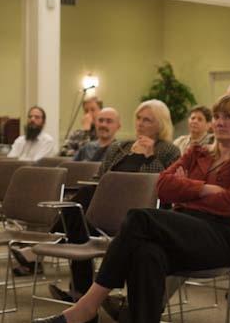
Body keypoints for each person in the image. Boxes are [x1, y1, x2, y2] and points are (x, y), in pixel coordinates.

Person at [32, 94, 230, 323]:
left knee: (139, 218)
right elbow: (163, 186)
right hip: (186, 228)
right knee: (147, 254)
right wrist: (207, 189)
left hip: (226, 237)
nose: (220, 122)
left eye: (229, 117)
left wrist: (189, 191)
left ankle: (87, 306)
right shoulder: (198, 153)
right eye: (218, 116)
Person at [21, 100, 181, 284]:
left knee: (80, 207)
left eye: (147, 120)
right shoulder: (120, 147)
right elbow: (100, 178)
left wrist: (148, 156)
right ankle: (80, 287)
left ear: (160, 124)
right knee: (79, 210)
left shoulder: (168, 151)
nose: (140, 123)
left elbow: (163, 185)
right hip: (109, 206)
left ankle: (52, 251)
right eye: (138, 118)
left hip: (142, 212)